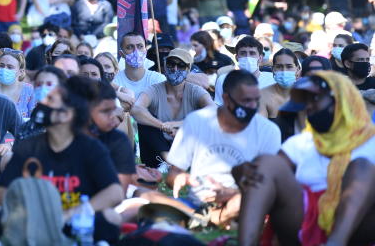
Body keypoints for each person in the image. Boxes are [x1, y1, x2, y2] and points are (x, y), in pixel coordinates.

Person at [234, 72, 375, 246]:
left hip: (357, 227)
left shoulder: (371, 141)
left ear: (340, 101)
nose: (308, 106)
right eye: (306, 101)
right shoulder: (302, 142)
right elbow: (266, 173)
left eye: (315, 99)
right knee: (266, 162)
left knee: (362, 167)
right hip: (303, 221)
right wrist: (242, 170)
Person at [0, 75, 124, 244]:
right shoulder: (29, 147)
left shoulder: (91, 148)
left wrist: (71, 214)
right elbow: (1, 192)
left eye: (51, 101)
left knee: (110, 218)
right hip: (32, 218)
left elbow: (115, 192)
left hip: (74, 219)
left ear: (67, 114)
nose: (43, 105)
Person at [167, 70, 281, 227]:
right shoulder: (197, 121)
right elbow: (174, 174)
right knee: (147, 201)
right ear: (227, 99)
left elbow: (268, 184)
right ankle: (215, 218)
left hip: (243, 200)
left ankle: (213, 219)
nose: (252, 106)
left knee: (248, 201)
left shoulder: (268, 131)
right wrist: (181, 179)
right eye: (246, 101)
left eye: (256, 100)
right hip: (198, 202)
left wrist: (232, 193)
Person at [132, 48, 213, 167]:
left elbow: (213, 111)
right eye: (171, 64)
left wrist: (177, 124)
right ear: (164, 66)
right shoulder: (154, 89)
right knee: (144, 122)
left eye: (181, 65)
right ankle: (168, 162)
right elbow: (136, 109)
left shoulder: (195, 91)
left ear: (188, 69)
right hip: (158, 152)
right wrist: (162, 126)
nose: (175, 69)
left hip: (186, 144)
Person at [214, 35, 276, 104]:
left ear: (260, 58)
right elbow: (219, 107)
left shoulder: (272, 80)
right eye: (243, 53)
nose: (247, 57)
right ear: (237, 58)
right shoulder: (223, 80)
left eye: (252, 53)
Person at [113, 30, 166, 104]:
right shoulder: (115, 82)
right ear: (121, 54)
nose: (136, 51)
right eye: (130, 47)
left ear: (145, 51)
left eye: (140, 46)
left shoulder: (158, 80)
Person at [0, 49, 34, 119]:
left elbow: (33, 119)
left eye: (10, 67)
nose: (4, 69)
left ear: (21, 72)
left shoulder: (29, 90)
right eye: (2, 65)